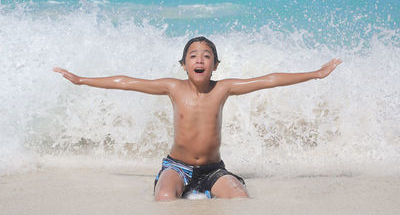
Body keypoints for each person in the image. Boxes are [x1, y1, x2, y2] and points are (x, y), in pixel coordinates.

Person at [53, 36, 342, 201]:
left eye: (206, 56)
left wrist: (315, 74)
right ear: (184, 65)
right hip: (177, 167)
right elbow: (125, 82)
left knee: (240, 199)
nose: (200, 60)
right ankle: (171, 184)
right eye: (193, 56)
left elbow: (268, 80)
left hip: (214, 170)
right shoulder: (172, 87)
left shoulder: (223, 88)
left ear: (216, 65)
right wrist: (81, 80)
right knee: (165, 198)